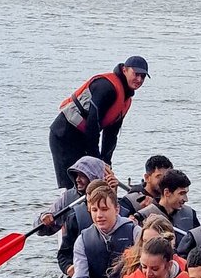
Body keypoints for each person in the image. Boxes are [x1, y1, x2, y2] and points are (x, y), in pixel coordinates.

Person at [48, 56, 148, 186]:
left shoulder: (126, 100)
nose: (139, 79)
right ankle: (69, 200)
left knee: (93, 181)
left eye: (143, 76)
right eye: (136, 74)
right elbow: (92, 126)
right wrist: (97, 161)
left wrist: (106, 163)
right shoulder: (106, 87)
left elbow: (111, 134)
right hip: (64, 135)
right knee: (75, 184)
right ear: (124, 70)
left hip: (82, 138)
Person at [54, 180, 136, 278]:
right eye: (94, 210)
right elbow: (80, 277)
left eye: (104, 209)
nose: (99, 215)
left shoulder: (135, 232)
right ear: (89, 210)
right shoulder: (83, 240)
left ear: (116, 209)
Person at [141, 169, 199, 253]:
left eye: (186, 193)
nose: (186, 199)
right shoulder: (143, 216)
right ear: (167, 192)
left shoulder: (190, 214)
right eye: (181, 194)